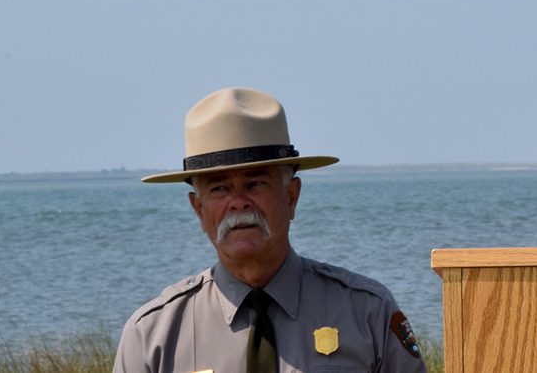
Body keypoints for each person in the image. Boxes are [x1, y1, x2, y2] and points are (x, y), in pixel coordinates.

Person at [114, 87, 426, 373]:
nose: (239, 203)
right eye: (220, 189)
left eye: (255, 183)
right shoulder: (152, 337)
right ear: (199, 210)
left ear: (291, 196)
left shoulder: (367, 313)